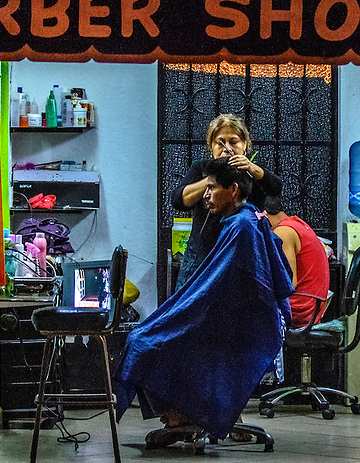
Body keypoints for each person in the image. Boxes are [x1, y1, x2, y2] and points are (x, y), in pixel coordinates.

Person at [113, 157, 293, 445]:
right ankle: (180, 415)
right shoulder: (242, 221)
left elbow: (218, 293)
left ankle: (180, 416)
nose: (206, 195)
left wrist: (176, 317)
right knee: (146, 336)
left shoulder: (242, 227)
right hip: (229, 321)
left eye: (212, 188)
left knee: (144, 341)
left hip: (233, 327)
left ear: (233, 189)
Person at [172, 114, 282, 291]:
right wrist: (212, 178)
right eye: (220, 142)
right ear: (211, 146)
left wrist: (252, 169)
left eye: (234, 142)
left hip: (241, 257)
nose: (227, 148)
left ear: (245, 145)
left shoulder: (252, 172)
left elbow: (276, 187)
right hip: (203, 255)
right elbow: (178, 200)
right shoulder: (201, 168)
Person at [264, 196, 330, 329]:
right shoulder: (297, 223)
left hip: (302, 310)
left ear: (264, 215)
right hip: (313, 306)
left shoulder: (283, 231)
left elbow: (288, 282)